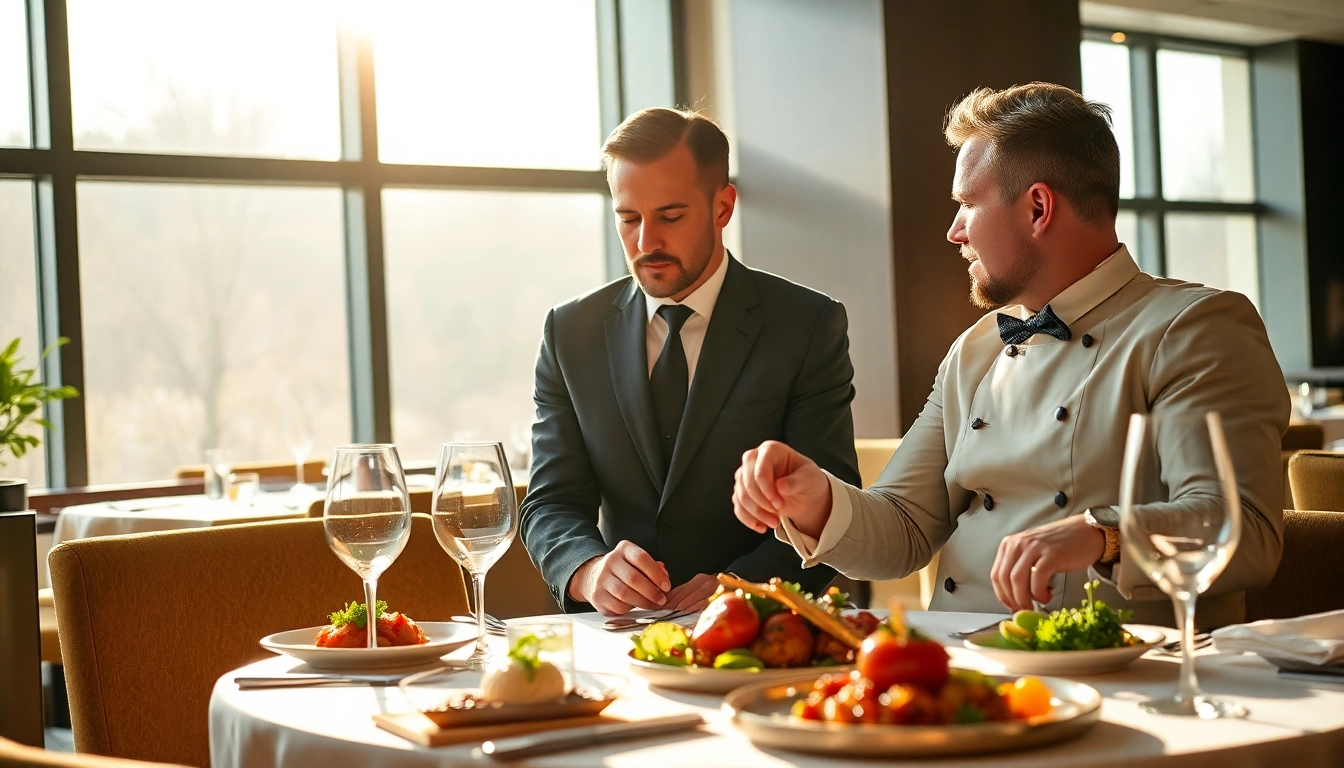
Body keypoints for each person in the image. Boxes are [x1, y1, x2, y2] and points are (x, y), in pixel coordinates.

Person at [731, 83, 1289, 627]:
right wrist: (815, 500)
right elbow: (903, 528)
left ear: (1038, 208)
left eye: (968, 205)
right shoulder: (975, 349)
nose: (954, 232)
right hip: (959, 669)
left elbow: (1240, 530)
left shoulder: (1194, 328)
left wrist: (1103, 537)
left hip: (1121, 680)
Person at [521, 108, 862, 616]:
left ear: (723, 207)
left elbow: (831, 504)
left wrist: (743, 587)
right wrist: (588, 571)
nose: (645, 243)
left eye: (670, 217)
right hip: (619, 637)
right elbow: (550, 502)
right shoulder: (570, 332)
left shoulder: (807, 325)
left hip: (761, 632)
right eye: (628, 218)